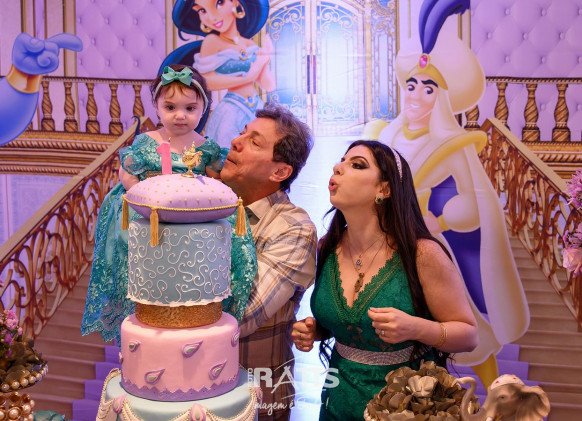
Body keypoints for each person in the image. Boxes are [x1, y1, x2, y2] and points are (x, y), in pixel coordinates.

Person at [372, 31, 529, 388]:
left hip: (428, 247)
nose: (416, 95)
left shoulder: (452, 144)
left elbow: (474, 201)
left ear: (441, 97)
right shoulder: (386, 136)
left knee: (458, 324)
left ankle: (495, 393)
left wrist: (439, 220)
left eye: (428, 89)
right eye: (412, 85)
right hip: (384, 241)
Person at [291, 140, 478, 420]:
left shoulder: (422, 253)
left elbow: (469, 336)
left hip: (405, 407)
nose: (337, 168)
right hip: (337, 402)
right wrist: (317, 331)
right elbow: (353, 325)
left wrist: (416, 327)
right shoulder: (326, 246)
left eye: (357, 165)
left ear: (384, 189)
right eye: (341, 161)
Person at [81, 64, 257, 343]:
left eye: (190, 108)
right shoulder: (147, 142)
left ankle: (195, 310)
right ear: (156, 106)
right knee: (134, 259)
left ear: (204, 108)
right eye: (170, 107)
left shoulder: (206, 147)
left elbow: (215, 180)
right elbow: (127, 174)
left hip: (189, 223)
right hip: (146, 216)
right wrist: (145, 195)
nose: (180, 115)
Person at [220, 103, 317, 421]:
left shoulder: (293, 228)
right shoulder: (210, 207)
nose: (236, 142)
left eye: (254, 142)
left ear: (279, 172)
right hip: (187, 391)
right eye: (242, 133)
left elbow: (240, 316)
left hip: (254, 399)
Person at [163, 0, 275, 148]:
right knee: (228, 151)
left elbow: (268, 84)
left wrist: (265, 59)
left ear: (236, 3)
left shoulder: (250, 44)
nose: (212, 17)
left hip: (256, 107)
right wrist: (250, 75)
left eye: (219, 3)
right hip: (232, 108)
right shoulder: (212, 42)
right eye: (202, 10)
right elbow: (206, 81)